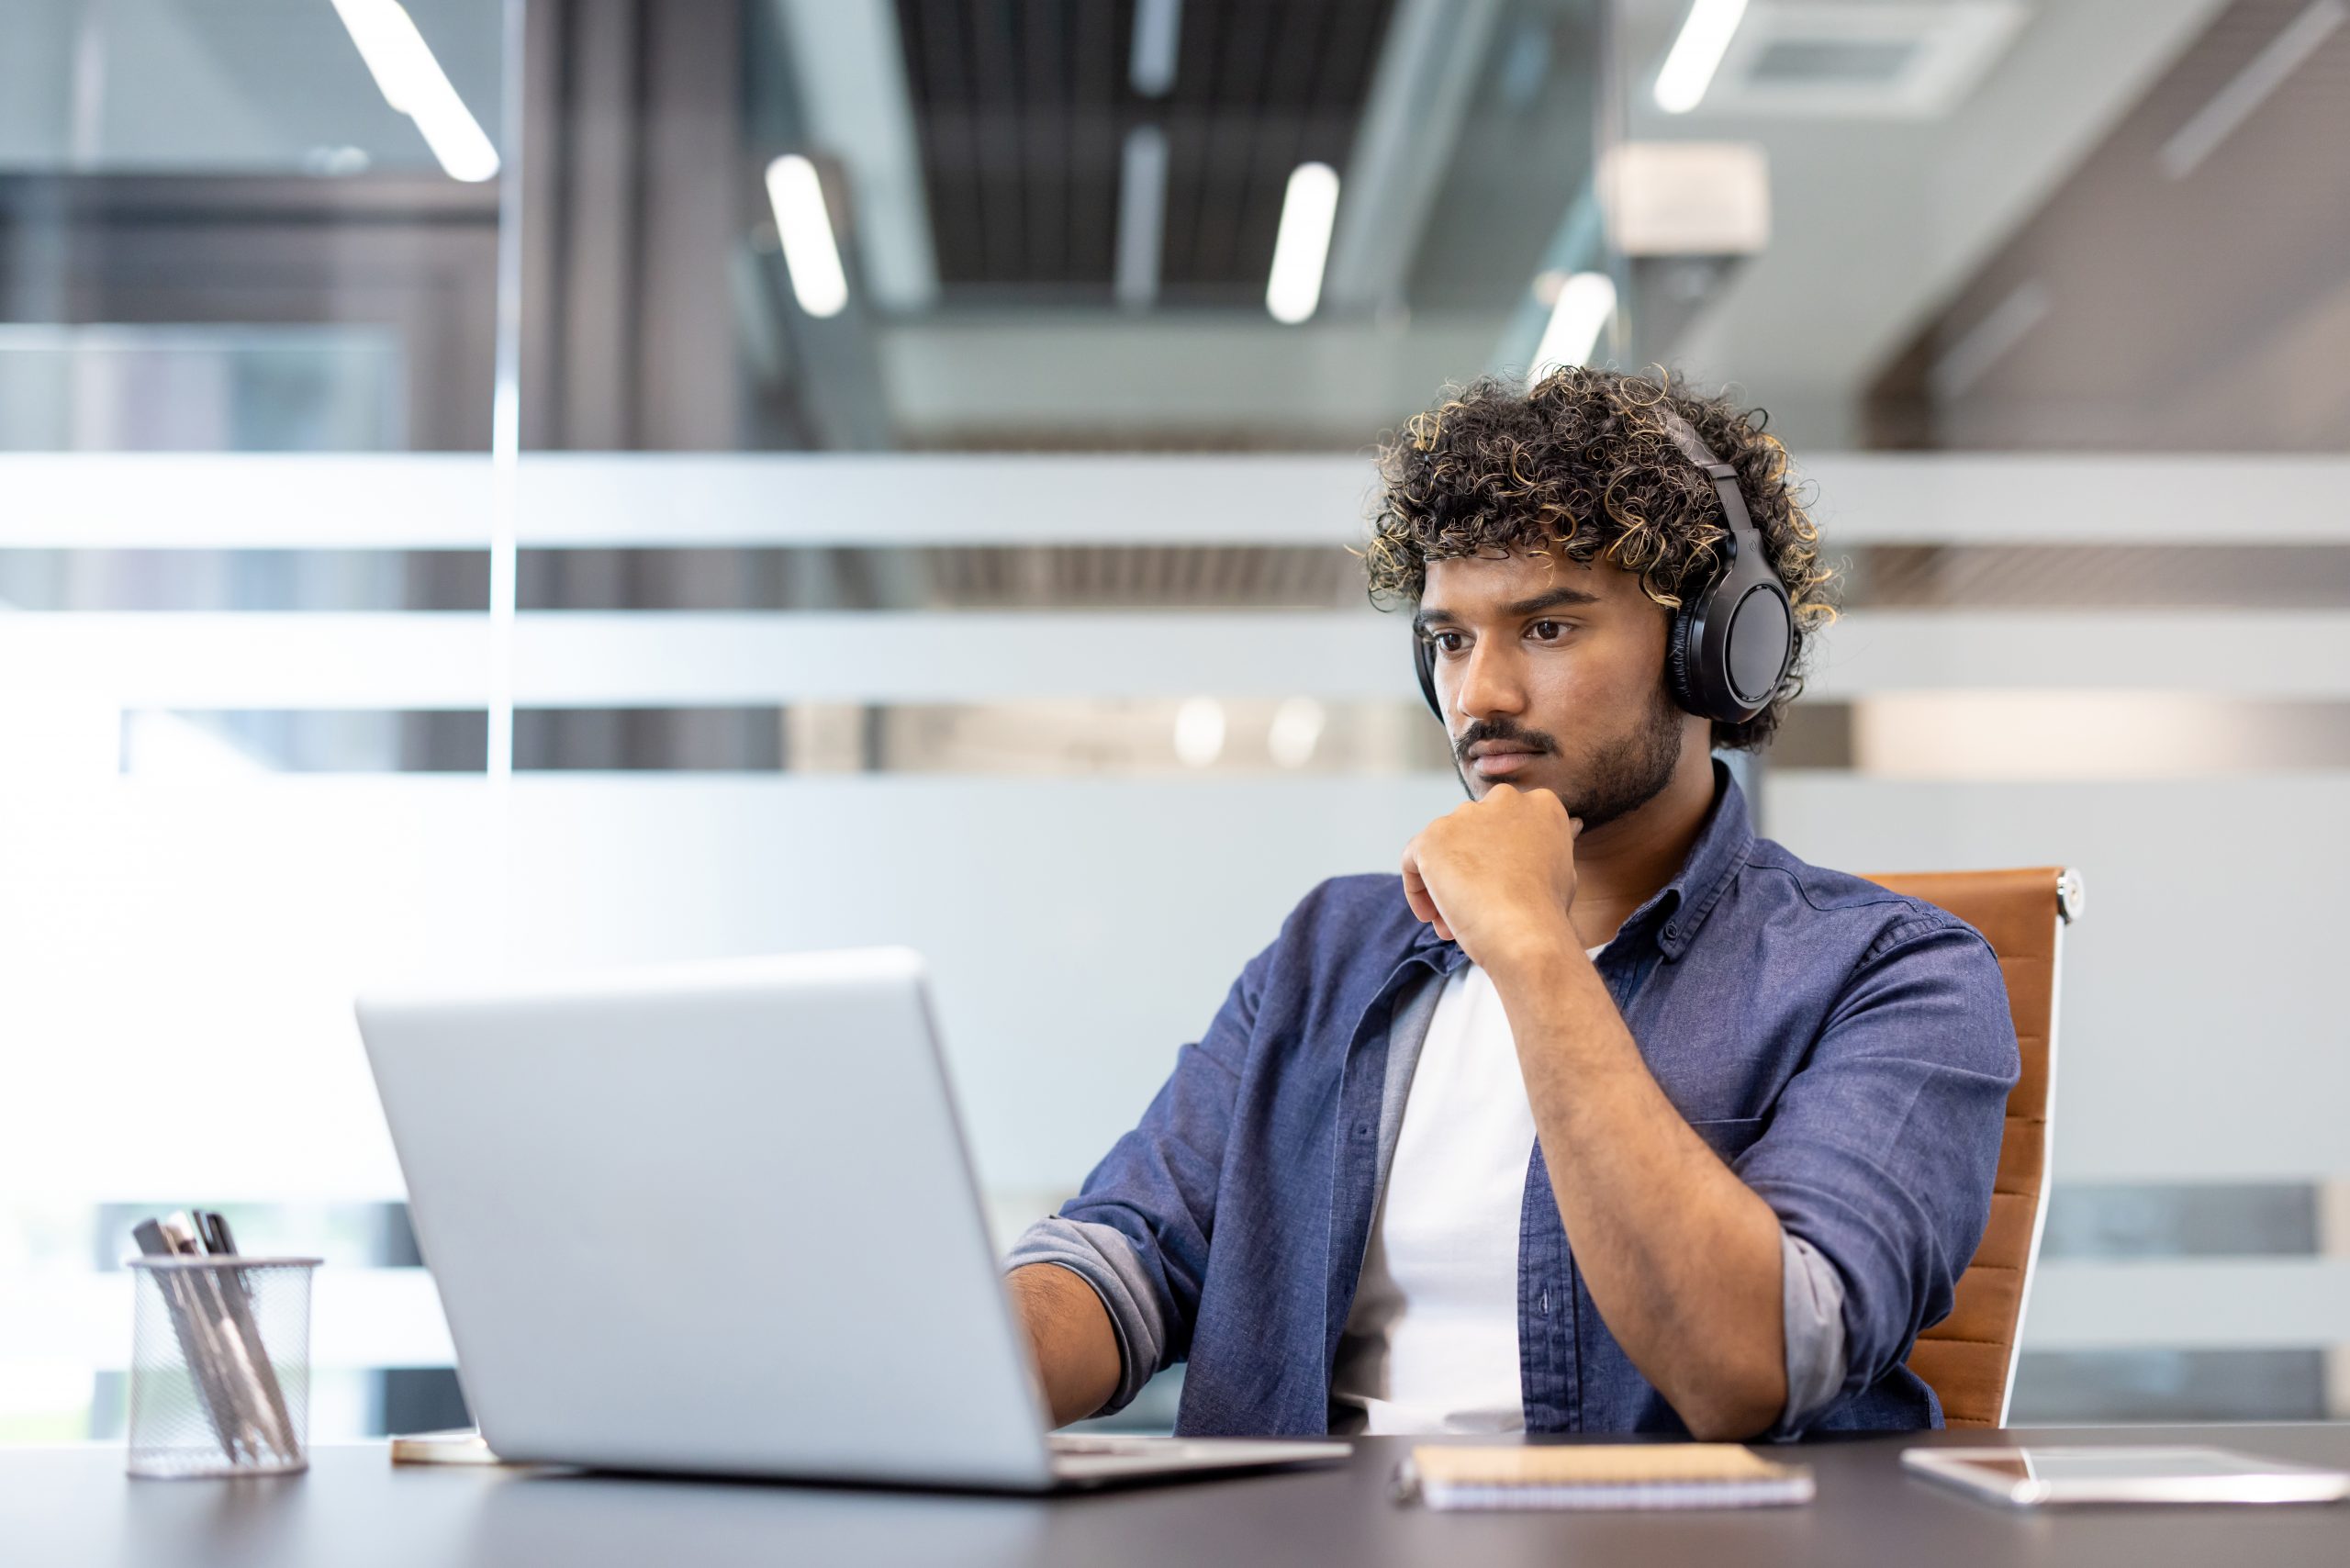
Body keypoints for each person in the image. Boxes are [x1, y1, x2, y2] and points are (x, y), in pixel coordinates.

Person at [1004, 366, 2020, 1440]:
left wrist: (1532, 943)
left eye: (1546, 628)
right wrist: (950, 1368)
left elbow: (1751, 1364)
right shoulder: (1333, 947)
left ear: (1715, 647)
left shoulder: (1895, 972)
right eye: (1449, 639)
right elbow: (1129, 1253)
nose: (1479, 693)